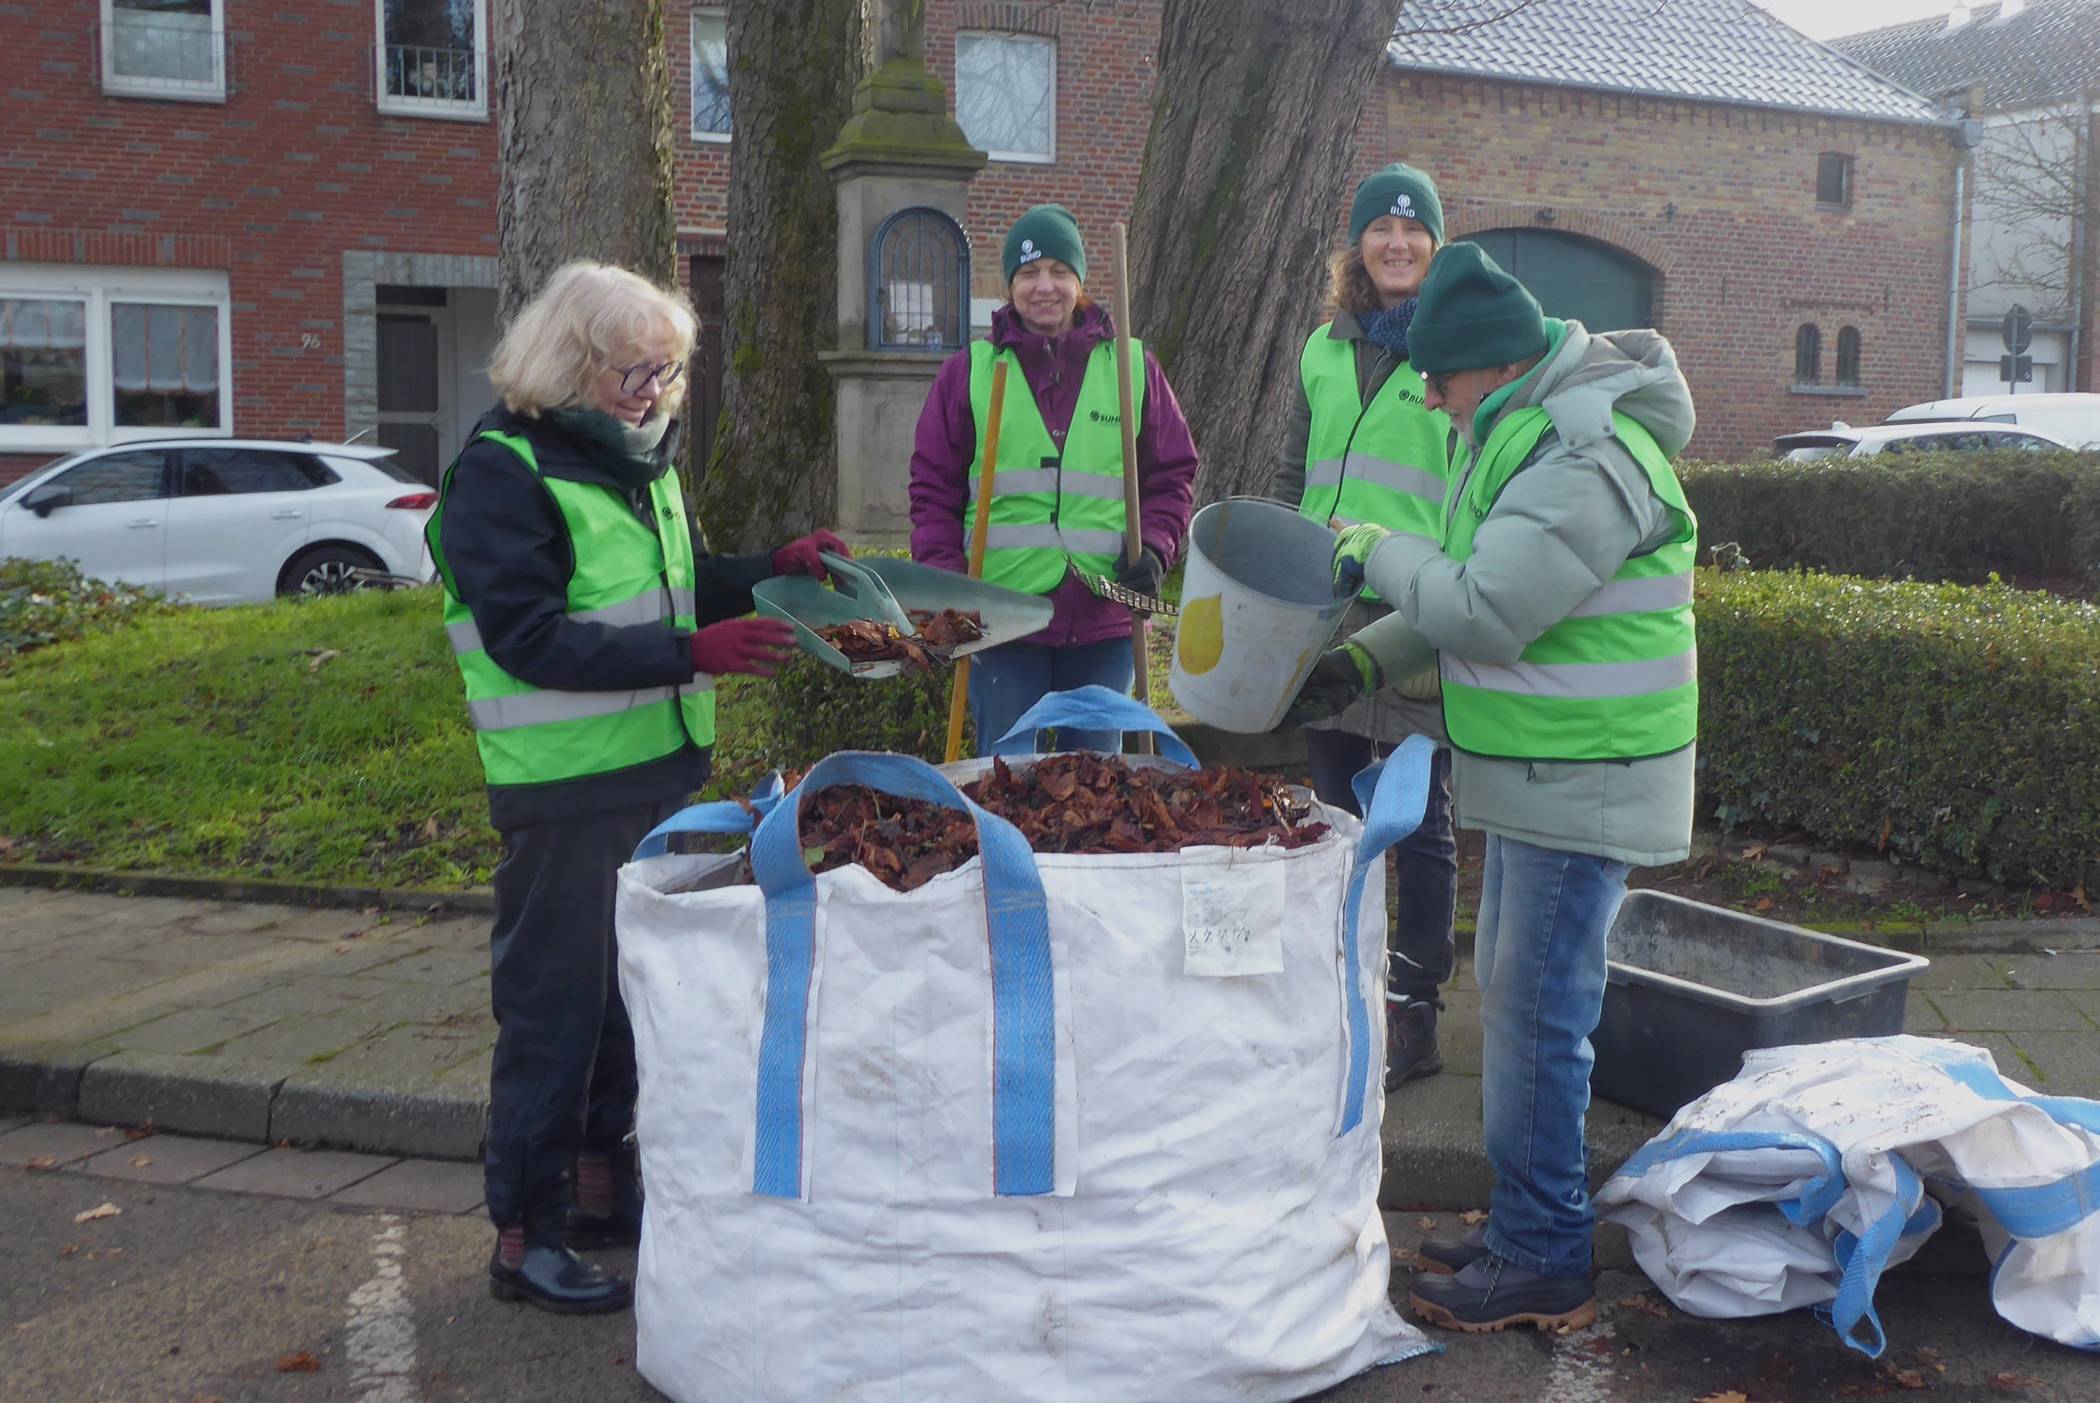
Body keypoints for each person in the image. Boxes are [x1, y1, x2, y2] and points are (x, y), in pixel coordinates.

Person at [1287, 243, 1698, 1333]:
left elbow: (1483, 609)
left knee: (1536, 1020)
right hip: (1541, 770)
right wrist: (1360, 662)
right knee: (1519, 1013)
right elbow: (1468, 580)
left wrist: (1370, 548)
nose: (1428, 395)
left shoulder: (1583, 455)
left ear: (1493, 365)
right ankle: (1526, 1217)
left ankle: (1546, 1249)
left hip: (1583, 778)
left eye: (1439, 377)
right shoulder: (1515, 433)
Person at [426, 260, 847, 1315]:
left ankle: (605, 1190)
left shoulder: (639, 458)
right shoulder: (502, 471)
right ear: (571, 363)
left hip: (659, 767)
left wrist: (769, 569)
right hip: (566, 786)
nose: (653, 389)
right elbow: (529, 636)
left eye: (667, 370)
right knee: (555, 1009)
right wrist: (690, 648)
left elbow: (675, 585)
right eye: (632, 370)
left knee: (633, 996)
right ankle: (525, 1233)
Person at [1266, 161, 1459, 1088]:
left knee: (1418, 824)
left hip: (1417, 614)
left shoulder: (1459, 352)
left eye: (1414, 229)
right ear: (1358, 245)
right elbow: (1291, 468)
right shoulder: (1321, 348)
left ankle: (1415, 1014)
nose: (1398, 243)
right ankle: (1340, 988)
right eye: (1382, 228)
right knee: (1337, 814)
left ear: (1434, 243)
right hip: (1330, 613)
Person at [908, 203, 1199, 753]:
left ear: (1080, 281)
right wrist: (947, 583)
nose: (1045, 287)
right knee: (1006, 775)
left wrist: (1156, 550)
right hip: (1000, 616)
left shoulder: (1132, 367)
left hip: (1104, 615)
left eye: (1059, 271)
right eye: (1027, 274)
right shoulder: (969, 372)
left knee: (1097, 786)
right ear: (1009, 285)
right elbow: (932, 492)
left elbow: (1172, 475)